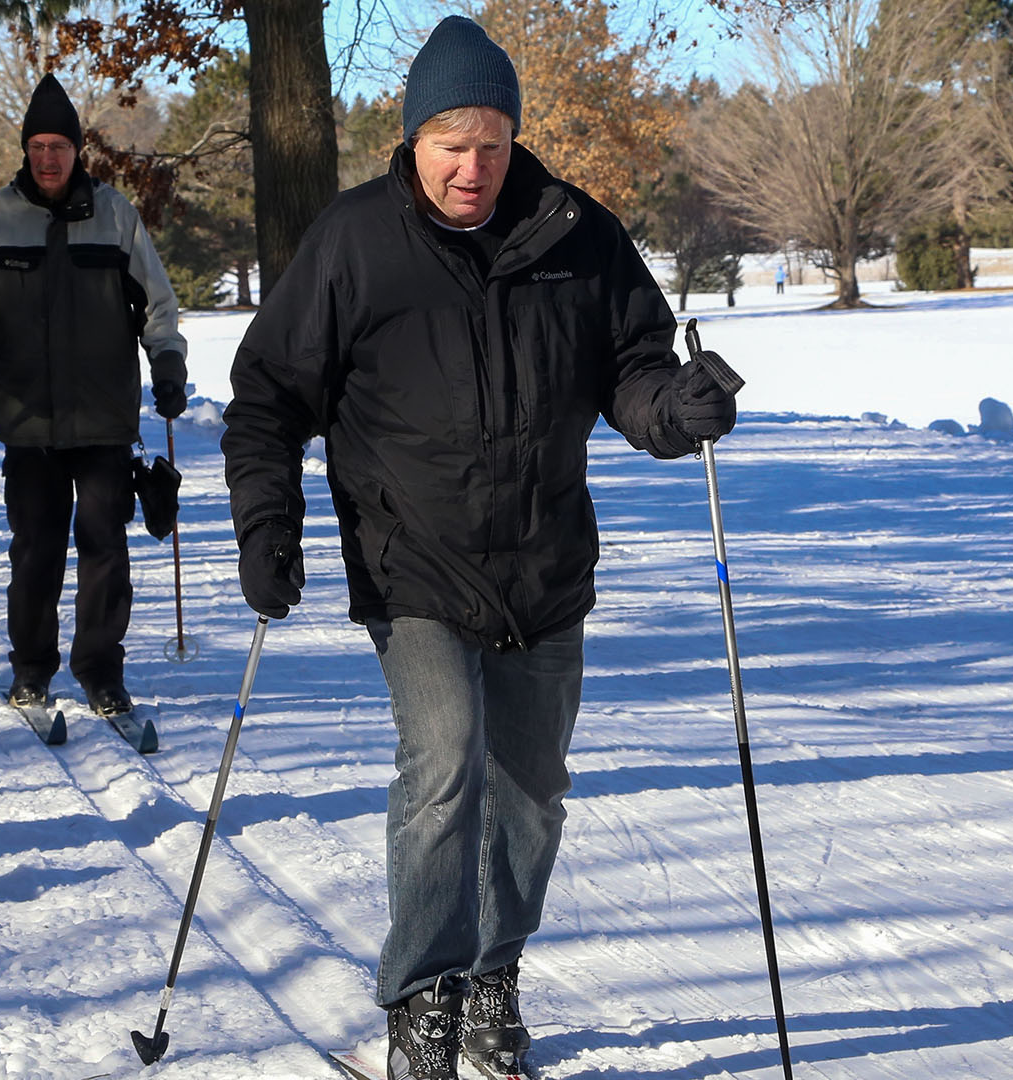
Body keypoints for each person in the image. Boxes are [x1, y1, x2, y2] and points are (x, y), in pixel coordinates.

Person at [220, 16, 740, 1080]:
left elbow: (631, 367)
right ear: (411, 140)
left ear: (515, 141)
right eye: (451, 143)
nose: (472, 166)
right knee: (447, 763)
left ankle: (493, 975)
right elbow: (267, 399)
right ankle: (421, 993)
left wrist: (676, 408)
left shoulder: (576, 233)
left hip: (544, 564)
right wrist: (266, 526)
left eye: (492, 143)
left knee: (533, 788)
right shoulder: (356, 242)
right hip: (413, 562)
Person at [0, 73, 188, 720]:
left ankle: (102, 673)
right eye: (38, 145)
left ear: (79, 151)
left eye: (60, 146)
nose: (48, 157)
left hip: (105, 417)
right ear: (26, 150)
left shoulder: (115, 215)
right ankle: (31, 673)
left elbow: (158, 305)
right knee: (36, 551)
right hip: (26, 418)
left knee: (106, 550)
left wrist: (166, 363)